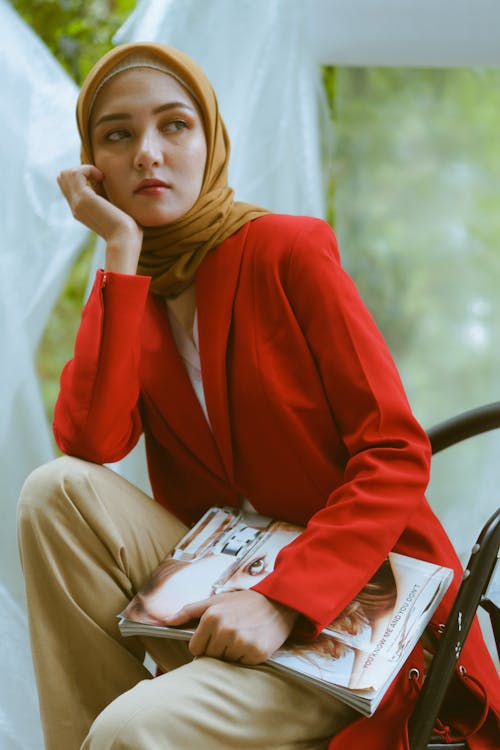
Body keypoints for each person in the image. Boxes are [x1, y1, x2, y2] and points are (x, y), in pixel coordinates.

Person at [17, 41, 499, 750]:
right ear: (94, 167)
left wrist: (282, 601)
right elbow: (90, 443)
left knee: (127, 731)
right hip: (216, 592)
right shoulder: (133, 293)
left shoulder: (287, 251)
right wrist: (118, 249)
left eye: (174, 125)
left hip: (346, 615)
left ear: (210, 142)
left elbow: (395, 452)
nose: (148, 152)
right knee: (54, 491)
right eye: (118, 134)